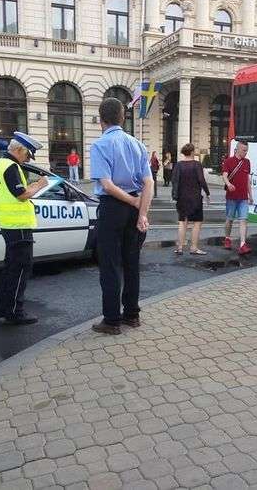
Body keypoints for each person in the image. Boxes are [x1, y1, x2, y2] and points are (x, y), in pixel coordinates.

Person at [90, 97, 154, 335]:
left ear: (101, 119)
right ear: (123, 117)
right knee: (131, 263)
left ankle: (112, 321)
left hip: (112, 208)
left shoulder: (100, 145)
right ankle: (132, 315)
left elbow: (106, 185)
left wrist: (130, 201)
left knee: (110, 264)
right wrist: (142, 212)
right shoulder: (137, 144)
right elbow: (149, 182)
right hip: (134, 208)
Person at [0, 132, 49, 325]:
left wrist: (31, 186)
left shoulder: (1, 164)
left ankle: (3, 308)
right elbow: (22, 195)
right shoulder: (11, 166)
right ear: (18, 150)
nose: (27, 158)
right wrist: (40, 185)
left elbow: (15, 191)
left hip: (8, 224)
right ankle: (15, 312)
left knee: (10, 268)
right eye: (27, 154)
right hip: (19, 226)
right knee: (20, 269)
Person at [171, 143, 211, 255]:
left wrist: (174, 195)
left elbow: (174, 181)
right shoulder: (197, 165)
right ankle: (193, 248)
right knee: (197, 223)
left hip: (182, 198)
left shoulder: (178, 165)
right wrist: (207, 193)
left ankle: (179, 247)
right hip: (195, 198)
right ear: (192, 152)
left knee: (182, 222)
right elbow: (201, 180)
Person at [222, 140, 253, 255]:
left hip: (243, 197)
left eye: (247, 151)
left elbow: (247, 180)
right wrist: (229, 184)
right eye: (244, 150)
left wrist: (250, 195)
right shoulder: (228, 161)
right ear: (238, 149)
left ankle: (242, 244)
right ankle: (227, 238)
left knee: (243, 219)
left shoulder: (247, 162)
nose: (245, 153)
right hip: (231, 196)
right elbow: (224, 175)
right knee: (230, 219)